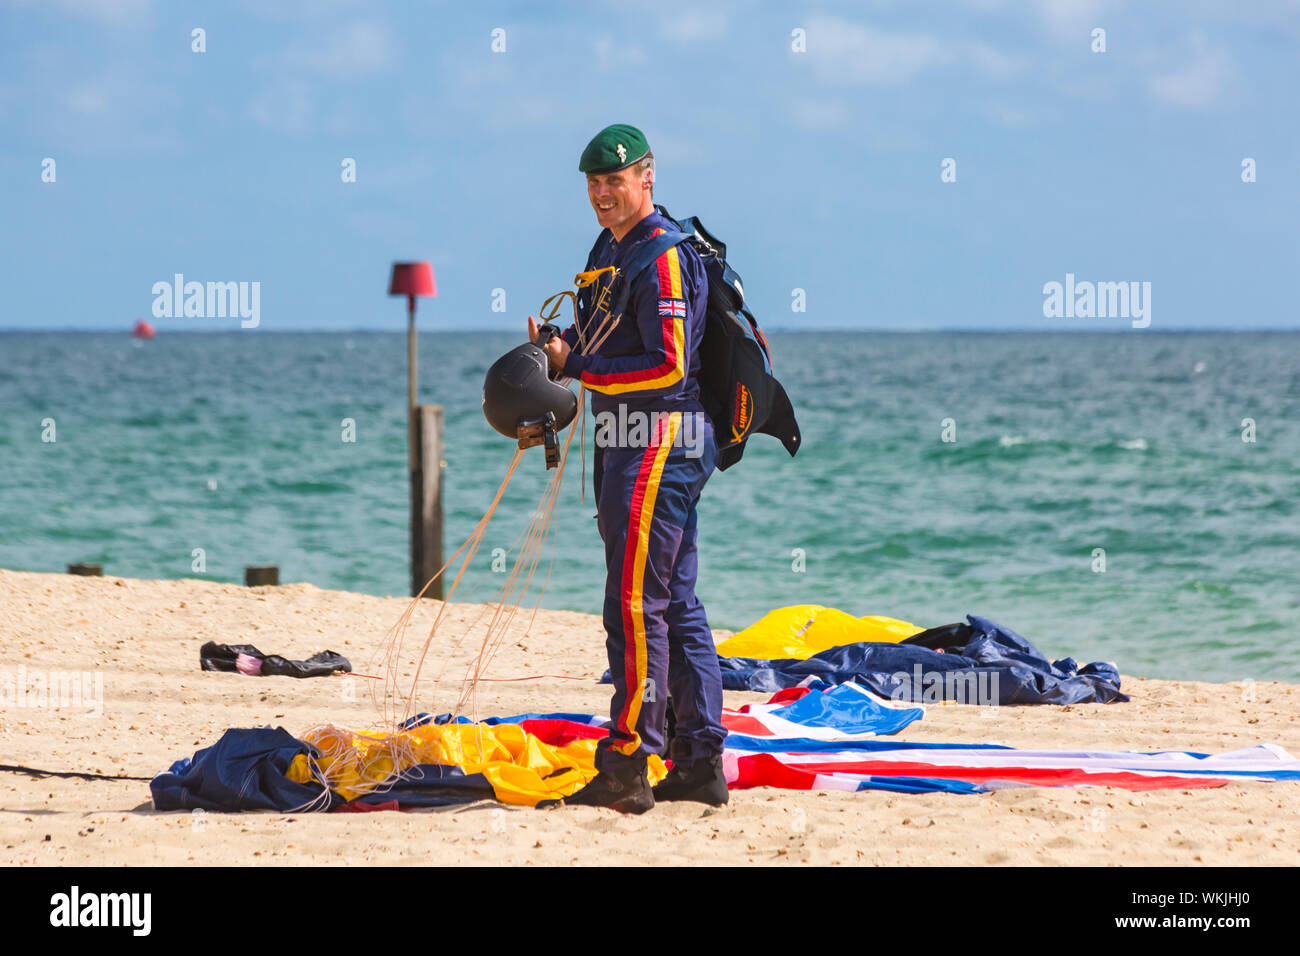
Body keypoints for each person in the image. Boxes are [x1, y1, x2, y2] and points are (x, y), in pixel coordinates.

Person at [529, 124, 728, 813]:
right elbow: (610, 335)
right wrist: (563, 346)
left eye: (615, 181)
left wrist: (574, 367)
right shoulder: (610, 249)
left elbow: (669, 364)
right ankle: (700, 764)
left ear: (648, 177)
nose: (603, 194)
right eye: (593, 184)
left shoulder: (665, 256)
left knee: (635, 606)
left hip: (660, 442)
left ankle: (626, 763)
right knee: (674, 603)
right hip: (630, 437)